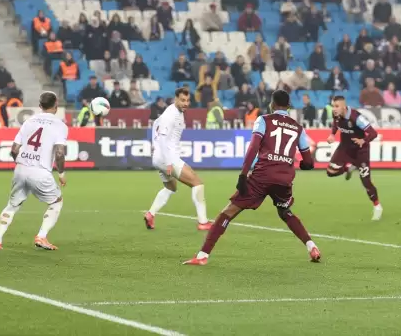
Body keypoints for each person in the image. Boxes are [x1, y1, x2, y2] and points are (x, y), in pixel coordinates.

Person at [184, 90, 320, 266]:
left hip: (262, 176)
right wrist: (302, 165)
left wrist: (243, 173)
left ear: (272, 104)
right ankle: (312, 246)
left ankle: (202, 256)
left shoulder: (264, 120)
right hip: (284, 179)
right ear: (289, 106)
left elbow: (254, 147)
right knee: (285, 212)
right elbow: (308, 162)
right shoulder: (298, 128)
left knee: (228, 212)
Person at [0, 92, 67, 251]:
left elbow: (14, 149)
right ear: (56, 105)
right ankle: (42, 236)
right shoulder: (60, 125)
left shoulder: (29, 121)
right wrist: (61, 174)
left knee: (12, 206)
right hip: (40, 172)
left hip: (20, 168)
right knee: (56, 201)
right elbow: (59, 153)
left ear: (40, 106)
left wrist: (21, 164)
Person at [144, 87, 211, 232]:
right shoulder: (171, 115)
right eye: (182, 100)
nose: (185, 103)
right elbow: (162, 137)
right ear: (176, 99)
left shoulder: (171, 112)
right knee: (197, 183)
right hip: (168, 157)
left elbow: (155, 125)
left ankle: (150, 214)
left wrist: (154, 146)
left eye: (187, 100)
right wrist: (168, 162)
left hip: (158, 157)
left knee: (171, 187)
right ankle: (203, 222)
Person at [325, 96, 382, 220]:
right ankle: (349, 167)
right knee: (330, 172)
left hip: (360, 150)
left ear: (344, 107)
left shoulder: (357, 117)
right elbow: (336, 124)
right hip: (345, 148)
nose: (334, 109)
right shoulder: (336, 114)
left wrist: (363, 140)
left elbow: (373, 133)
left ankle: (377, 206)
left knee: (366, 182)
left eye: (336, 106)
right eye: (333, 106)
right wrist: (332, 135)